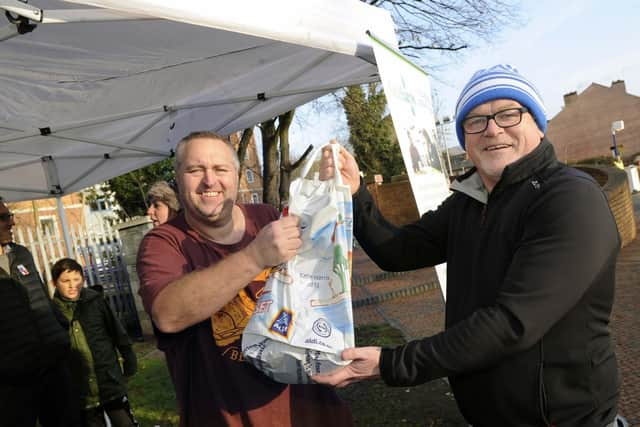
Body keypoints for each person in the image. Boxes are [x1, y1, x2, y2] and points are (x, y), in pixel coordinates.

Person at [314, 64, 622, 427]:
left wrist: (390, 363)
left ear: (538, 125)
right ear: (465, 138)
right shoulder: (470, 201)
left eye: (508, 114)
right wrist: (356, 193)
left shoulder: (568, 198)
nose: (492, 129)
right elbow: (398, 250)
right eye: (475, 120)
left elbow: (511, 324)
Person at [136, 131, 353, 426]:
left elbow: (316, 275)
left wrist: (332, 193)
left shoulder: (264, 216)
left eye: (220, 169)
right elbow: (168, 315)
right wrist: (255, 257)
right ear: (178, 178)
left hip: (313, 410)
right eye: (195, 170)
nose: (210, 180)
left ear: (237, 175)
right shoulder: (163, 242)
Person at [0, 199, 81, 426]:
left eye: (10, 215)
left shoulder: (22, 254)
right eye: (3, 218)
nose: (11, 222)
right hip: (13, 377)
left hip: (53, 362)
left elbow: (42, 296)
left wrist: (60, 329)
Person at [51, 257, 138, 427]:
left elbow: (117, 332)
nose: (72, 285)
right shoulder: (52, 311)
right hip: (81, 390)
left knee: (124, 422)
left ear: (83, 279)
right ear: (55, 283)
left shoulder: (96, 302)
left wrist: (129, 361)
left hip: (108, 381)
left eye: (76, 280)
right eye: (65, 281)